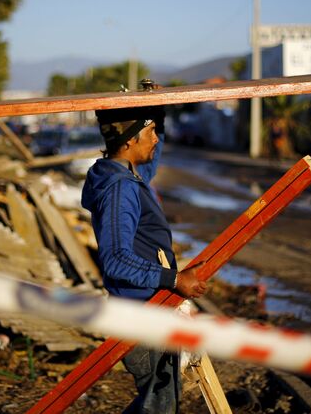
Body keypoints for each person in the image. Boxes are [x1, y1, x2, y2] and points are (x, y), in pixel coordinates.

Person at [81, 105, 208, 414]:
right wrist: (175, 280)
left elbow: (149, 165)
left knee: (158, 403)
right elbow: (116, 260)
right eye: (149, 133)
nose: (155, 140)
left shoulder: (126, 173)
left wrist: (157, 116)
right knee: (159, 407)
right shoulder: (120, 188)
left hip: (150, 309)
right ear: (128, 141)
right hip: (140, 315)